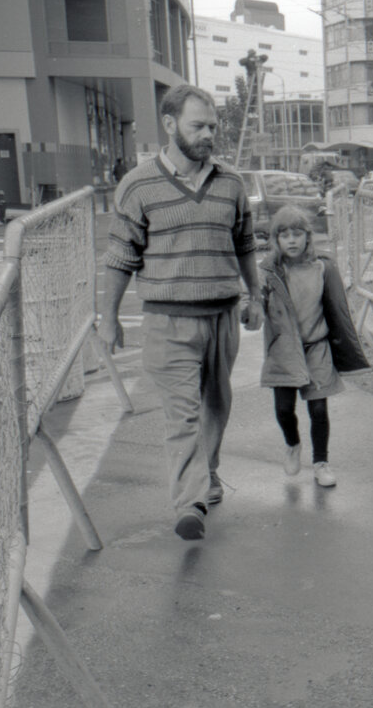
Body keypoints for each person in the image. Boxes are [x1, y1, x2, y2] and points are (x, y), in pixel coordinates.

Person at [100, 85, 264, 541]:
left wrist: (256, 296)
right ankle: (189, 501)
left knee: (217, 404)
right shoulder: (138, 184)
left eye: (212, 125)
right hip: (167, 319)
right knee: (182, 413)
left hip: (222, 317)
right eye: (198, 125)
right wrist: (108, 316)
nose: (209, 134)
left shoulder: (231, 183)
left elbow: (245, 246)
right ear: (170, 125)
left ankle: (205, 473)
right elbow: (120, 257)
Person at [258, 204, 370, 488]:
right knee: (284, 408)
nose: (292, 241)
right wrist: (249, 309)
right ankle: (292, 444)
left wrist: (355, 335)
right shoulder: (270, 272)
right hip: (283, 349)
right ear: (276, 240)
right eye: (284, 236)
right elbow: (255, 303)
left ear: (308, 237)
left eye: (298, 234)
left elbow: (338, 307)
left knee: (318, 410)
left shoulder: (321, 267)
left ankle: (321, 463)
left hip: (316, 346)